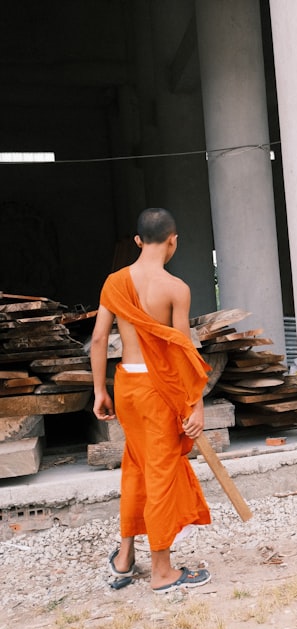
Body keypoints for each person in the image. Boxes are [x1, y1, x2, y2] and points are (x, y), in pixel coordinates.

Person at [91, 208, 213, 593]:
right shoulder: (176, 288)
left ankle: (125, 557)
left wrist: (99, 390)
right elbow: (180, 350)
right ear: (174, 240)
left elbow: (97, 340)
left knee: (137, 465)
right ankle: (162, 572)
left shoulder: (114, 282)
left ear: (138, 240)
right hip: (159, 390)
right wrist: (195, 403)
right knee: (160, 473)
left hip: (127, 385)